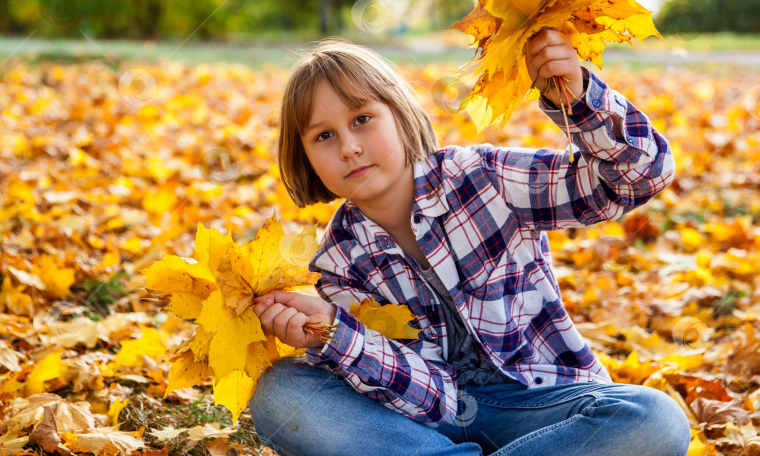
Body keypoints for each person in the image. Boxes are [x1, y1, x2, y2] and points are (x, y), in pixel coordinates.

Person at [250, 32, 691, 455]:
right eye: (323, 136)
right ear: (305, 156)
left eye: (362, 120)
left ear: (401, 116)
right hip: (421, 429)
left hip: (539, 405)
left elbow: (638, 179)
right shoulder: (337, 263)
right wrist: (334, 330)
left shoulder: (483, 177)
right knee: (283, 393)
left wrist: (578, 99)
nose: (349, 147)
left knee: (655, 419)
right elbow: (430, 397)